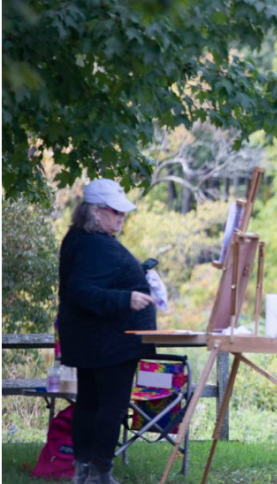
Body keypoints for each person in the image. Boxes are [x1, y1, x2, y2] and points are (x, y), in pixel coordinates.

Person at [58, 179, 157, 484]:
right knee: (109, 406)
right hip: (110, 342)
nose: (121, 218)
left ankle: (82, 471)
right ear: (96, 212)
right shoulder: (92, 243)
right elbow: (81, 290)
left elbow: (92, 282)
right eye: (117, 212)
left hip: (96, 340)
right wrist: (126, 297)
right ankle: (101, 473)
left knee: (90, 403)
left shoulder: (80, 239)